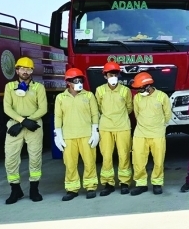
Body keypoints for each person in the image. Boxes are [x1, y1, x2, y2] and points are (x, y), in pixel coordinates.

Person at [2, 57, 47, 204]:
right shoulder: (9, 87)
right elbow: (7, 108)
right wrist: (22, 122)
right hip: (15, 124)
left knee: (35, 158)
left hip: (34, 125)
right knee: (11, 158)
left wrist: (28, 121)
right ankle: (15, 190)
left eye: (28, 69)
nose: (25, 71)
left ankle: (34, 190)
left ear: (32, 71)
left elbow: (43, 108)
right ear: (17, 70)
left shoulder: (38, 87)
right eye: (22, 68)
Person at [54, 68, 100, 201]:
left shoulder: (89, 95)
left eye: (80, 80)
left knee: (89, 162)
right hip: (68, 136)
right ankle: (72, 189)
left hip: (86, 135)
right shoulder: (60, 98)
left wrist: (95, 131)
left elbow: (94, 114)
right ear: (68, 82)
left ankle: (90, 186)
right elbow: (58, 117)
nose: (79, 83)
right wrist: (58, 134)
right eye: (75, 80)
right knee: (70, 164)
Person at [95, 61, 133, 196]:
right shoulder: (99, 90)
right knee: (106, 156)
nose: (113, 77)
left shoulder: (125, 90)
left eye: (116, 74)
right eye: (111, 74)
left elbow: (129, 108)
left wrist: (119, 118)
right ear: (105, 76)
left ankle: (124, 182)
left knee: (124, 155)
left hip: (122, 126)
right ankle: (108, 183)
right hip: (105, 127)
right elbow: (98, 108)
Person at [130, 72, 171, 196]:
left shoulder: (162, 96)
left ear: (148, 86)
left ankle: (157, 183)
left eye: (141, 88)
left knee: (158, 160)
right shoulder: (137, 98)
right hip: (140, 133)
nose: (139, 91)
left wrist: (160, 127)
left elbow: (167, 115)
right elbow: (136, 114)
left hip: (157, 133)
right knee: (138, 160)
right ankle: (141, 184)